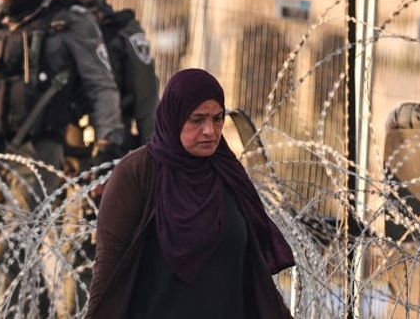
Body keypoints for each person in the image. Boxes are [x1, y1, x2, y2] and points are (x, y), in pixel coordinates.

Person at [0, 0, 124, 316]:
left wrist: (108, 146)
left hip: (39, 154)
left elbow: (101, 85)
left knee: (14, 251)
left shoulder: (68, 22)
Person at [85, 69, 295, 319]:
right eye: (197, 119)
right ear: (174, 117)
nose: (210, 130)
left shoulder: (228, 173)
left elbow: (254, 269)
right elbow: (109, 267)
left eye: (218, 119)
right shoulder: (139, 172)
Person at [55, 0, 161, 314]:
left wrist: (154, 170)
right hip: (56, 161)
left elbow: (148, 105)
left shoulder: (123, 31)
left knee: (90, 265)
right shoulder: (52, 24)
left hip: (105, 164)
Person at [57, 0, 159, 157]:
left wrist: (154, 160)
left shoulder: (123, 30)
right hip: (60, 151)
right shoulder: (53, 25)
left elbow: (146, 101)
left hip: (108, 149)